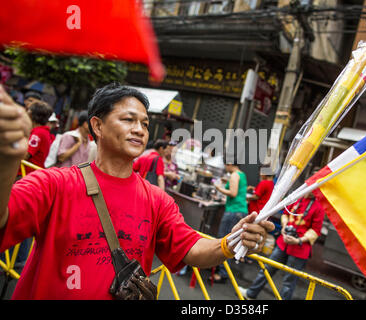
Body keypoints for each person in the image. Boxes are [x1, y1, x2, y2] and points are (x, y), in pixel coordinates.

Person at [0, 83, 274, 300]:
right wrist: (8, 160)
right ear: (97, 125)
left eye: (144, 123)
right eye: (128, 119)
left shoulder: (157, 200)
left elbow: (191, 249)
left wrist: (230, 242)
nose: (139, 130)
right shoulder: (54, 184)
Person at [239, 191, 325, 300]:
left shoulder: (319, 207)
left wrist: (298, 240)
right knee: (266, 270)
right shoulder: (297, 197)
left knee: (289, 282)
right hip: (283, 243)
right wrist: (284, 227)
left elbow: (316, 231)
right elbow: (285, 213)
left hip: (300, 249)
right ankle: (250, 294)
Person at [213, 157, 249, 282]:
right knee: (231, 242)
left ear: (229, 164)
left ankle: (222, 273)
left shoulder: (234, 175)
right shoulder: (241, 174)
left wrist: (219, 188)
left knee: (225, 242)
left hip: (233, 211)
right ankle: (222, 270)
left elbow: (233, 193)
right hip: (241, 210)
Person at [21, 101, 53, 175]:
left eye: (28, 111)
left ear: (31, 114)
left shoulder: (38, 134)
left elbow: (25, 155)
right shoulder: (43, 132)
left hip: (25, 173)